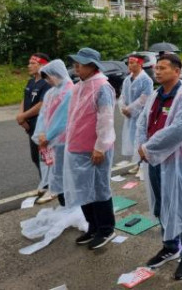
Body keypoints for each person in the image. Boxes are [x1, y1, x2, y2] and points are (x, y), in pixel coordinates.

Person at [136, 53, 182, 280]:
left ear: (177, 70)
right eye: (156, 68)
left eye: (163, 68)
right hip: (154, 160)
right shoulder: (156, 94)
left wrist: (148, 147)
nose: (158, 71)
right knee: (162, 205)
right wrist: (141, 146)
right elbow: (143, 121)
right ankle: (170, 246)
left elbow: (178, 131)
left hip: (175, 161)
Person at [63, 48, 116, 250]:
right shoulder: (79, 86)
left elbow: (106, 119)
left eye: (81, 63)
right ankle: (92, 227)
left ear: (92, 66)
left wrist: (100, 147)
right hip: (77, 148)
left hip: (95, 150)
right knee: (83, 190)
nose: (77, 66)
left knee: (99, 189)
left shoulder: (102, 87)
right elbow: (73, 117)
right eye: (76, 62)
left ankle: (106, 229)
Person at [32, 59, 74, 207]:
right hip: (50, 140)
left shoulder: (70, 91)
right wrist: (41, 134)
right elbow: (43, 115)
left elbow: (63, 120)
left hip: (63, 140)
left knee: (65, 174)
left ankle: (71, 207)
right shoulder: (51, 92)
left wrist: (47, 136)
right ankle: (64, 205)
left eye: (48, 77)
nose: (48, 81)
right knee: (56, 173)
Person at [17, 53, 52, 201]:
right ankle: (43, 184)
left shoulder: (47, 83)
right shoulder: (31, 82)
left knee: (46, 157)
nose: (29, 65)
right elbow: (24, 99)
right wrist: (21, 116)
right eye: (29, 62)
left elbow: (42, 104)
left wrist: (24, 116)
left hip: (41, 125)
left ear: (42, 65)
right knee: (35, 157)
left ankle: (51, 187)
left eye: (33, 63)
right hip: (30, 125)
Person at [119, 54, 153, 177]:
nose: (130, 65)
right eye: (129, 63)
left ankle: (144, 167)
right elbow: (122, 95)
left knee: (141, 140)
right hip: (130, 116)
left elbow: (145, 98)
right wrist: (123, 107)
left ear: (140, 64)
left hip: (141, 115)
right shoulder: (127, 79)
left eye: (133, 63)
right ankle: (137, 164)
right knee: (133, 140)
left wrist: (130, 109)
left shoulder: (146, 80)